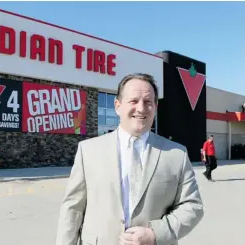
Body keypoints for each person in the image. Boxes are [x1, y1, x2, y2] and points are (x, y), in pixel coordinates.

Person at [55, 73, 204, 245]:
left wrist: (156, 234)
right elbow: (73, 208)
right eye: (133, 101)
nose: (141, 108)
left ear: (155, 107)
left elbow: (193, 206)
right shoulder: (88, 150)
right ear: (118, 106)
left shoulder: (176, 154)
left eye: (148, 102)